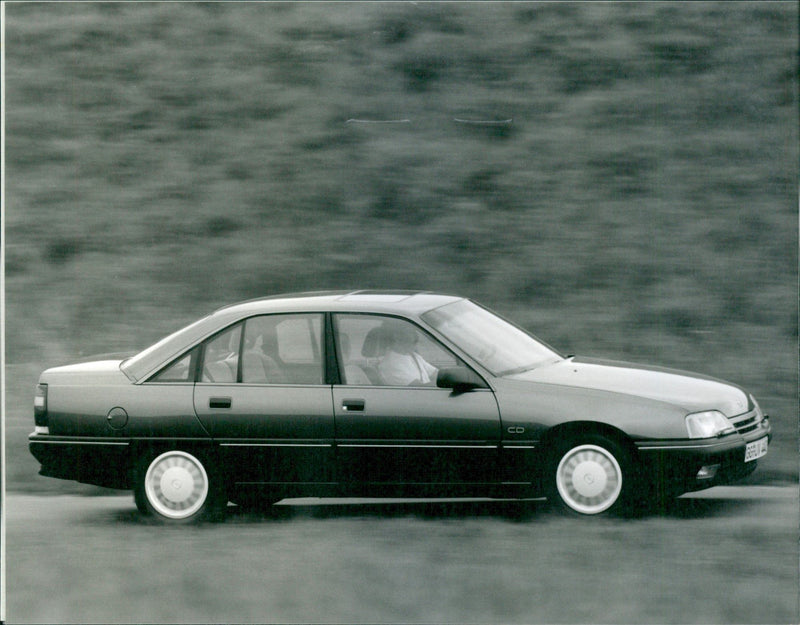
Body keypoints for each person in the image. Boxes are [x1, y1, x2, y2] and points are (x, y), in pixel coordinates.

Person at [377, 321, 438, 386]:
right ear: (396, 338)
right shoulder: (391, 365)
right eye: (408, 331)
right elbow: (420, 388)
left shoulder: (413, 355)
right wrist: (445, 383)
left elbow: (435, 373)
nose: (415, 335)